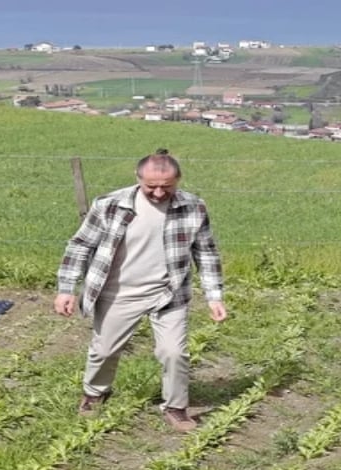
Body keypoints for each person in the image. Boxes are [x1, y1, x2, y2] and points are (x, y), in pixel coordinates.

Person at [54, 148, 227, 431]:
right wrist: (66, 288)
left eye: (166, 187)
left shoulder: (194, 207)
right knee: (105, 349)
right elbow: (81, 245)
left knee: (174, 353)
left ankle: (175, 407)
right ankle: (95, 393)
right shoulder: (110, 205)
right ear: (137, 179)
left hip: (168, 294)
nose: (159, 193)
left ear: (178, 180)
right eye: (151, 187)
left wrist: (214, 296)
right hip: (118, 292)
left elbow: (206, 253)